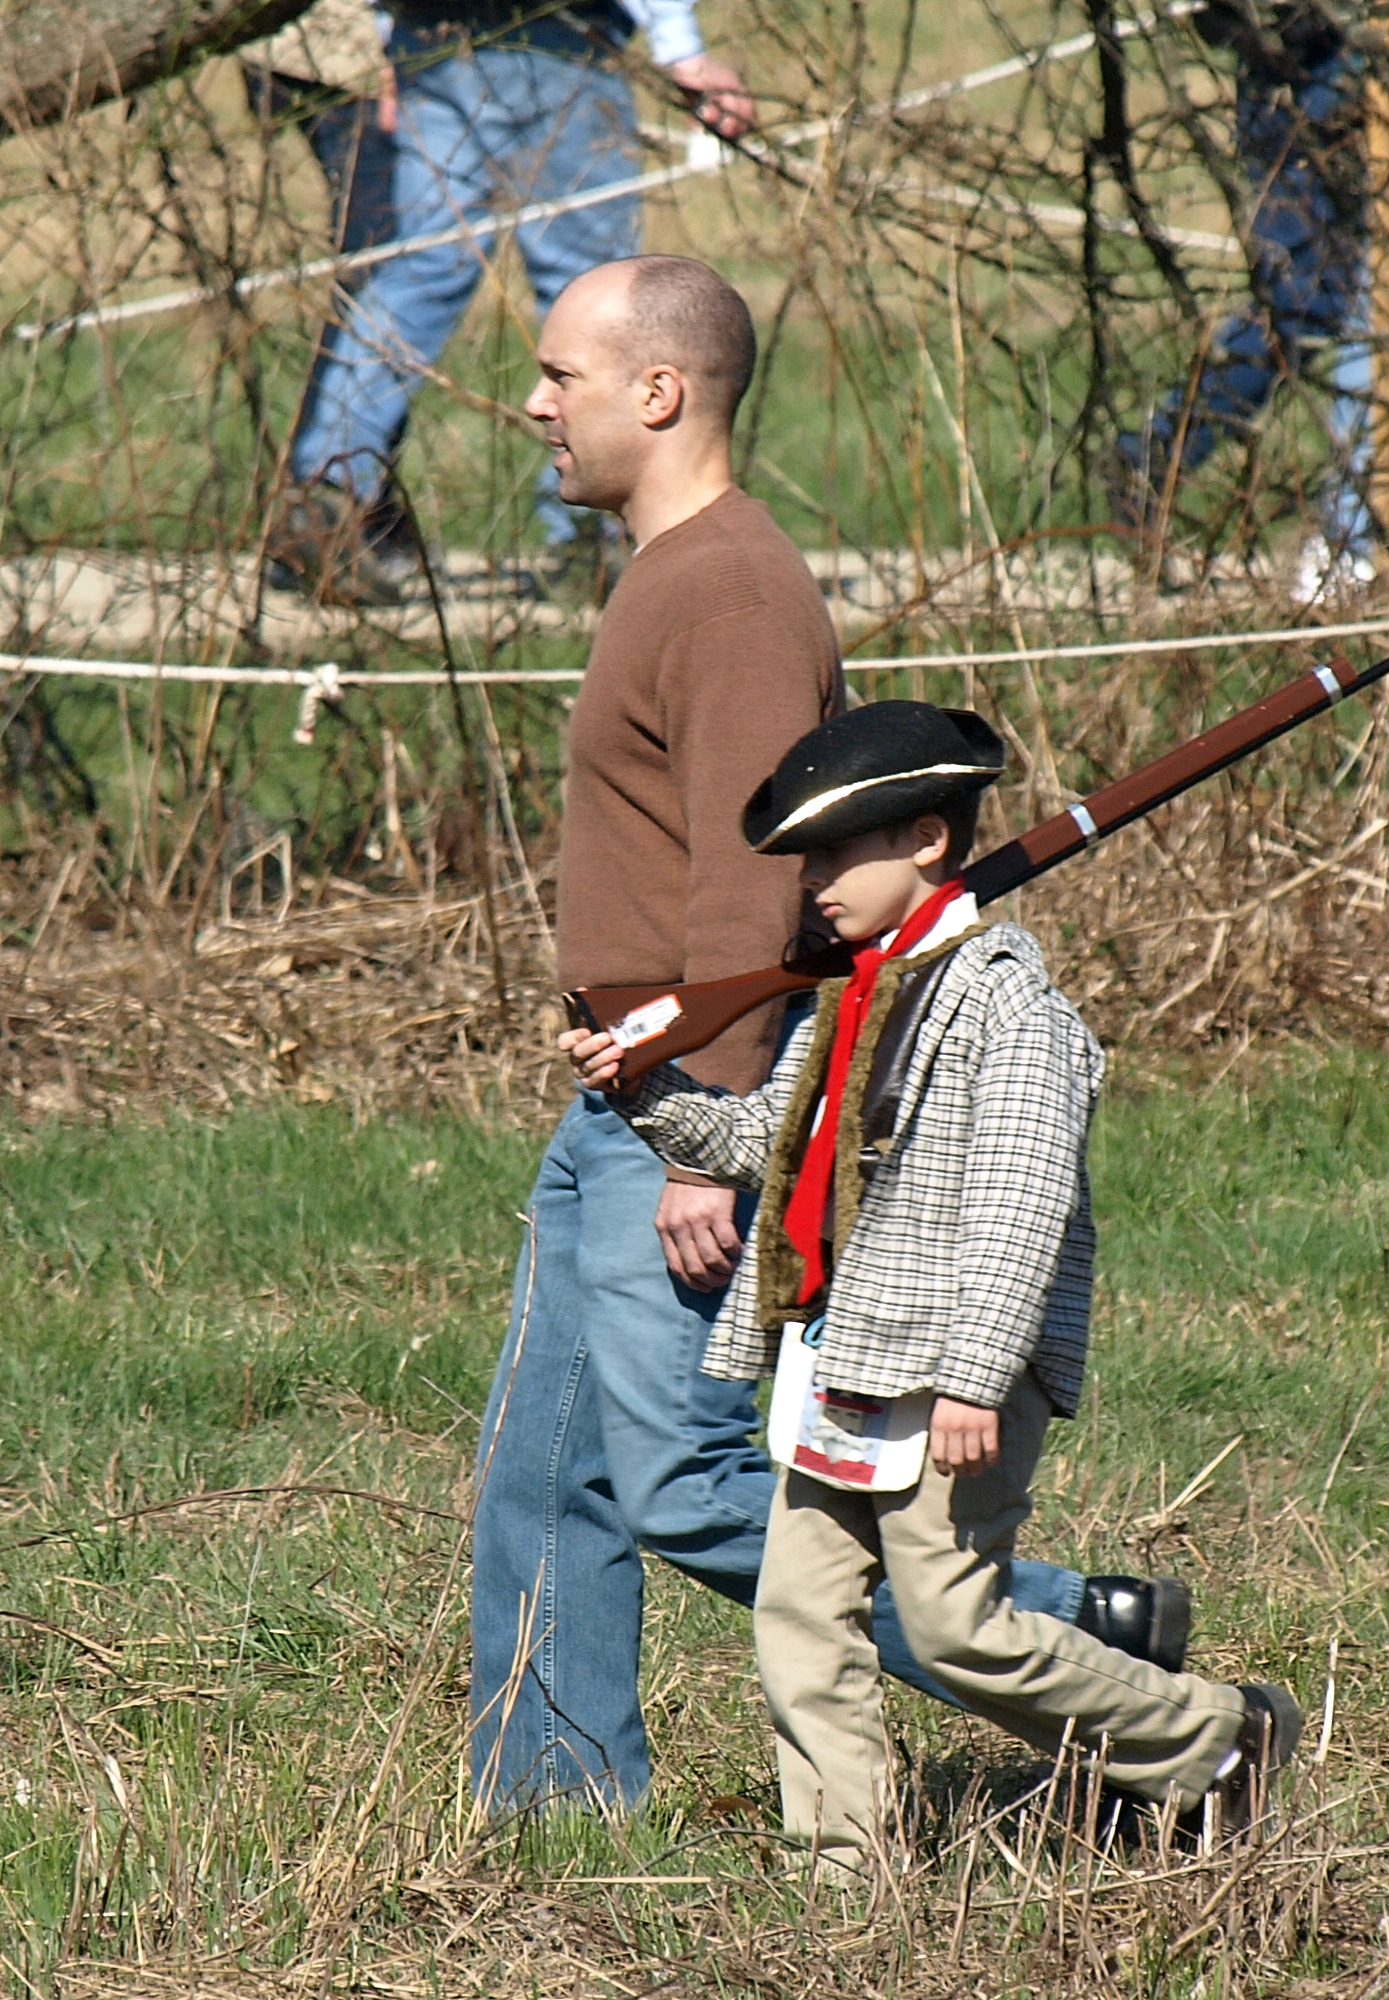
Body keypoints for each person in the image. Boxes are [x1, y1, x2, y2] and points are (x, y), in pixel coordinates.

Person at [468, 254, 1191, 1813]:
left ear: (660, 391)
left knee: (689, 1483)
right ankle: (550, 1809)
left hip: (687, 1106)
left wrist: (709, 1149)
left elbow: (758, 880)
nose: (534, 404)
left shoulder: (729, 593)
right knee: (542, 1473)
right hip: (630, 1097)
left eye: (560, 375)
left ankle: (1090, 1646)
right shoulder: (671, 571)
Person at [564, 699, 1303, 1867]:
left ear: (925, 840)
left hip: (952, 1374)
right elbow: (765, 1144)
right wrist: (641, 1087)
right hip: (844, 1357)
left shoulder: (1012, 1009)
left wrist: (974, 1377)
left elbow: (1021, 1208)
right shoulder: (855, 994)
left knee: (958, 1626)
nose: (811, 882)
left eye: (832, 853)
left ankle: (1217, 1736)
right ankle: (842, 1868)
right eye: (804, 859)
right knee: (800, 1617)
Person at [265, 0, 754, 606]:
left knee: (418, 272)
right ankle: (589, 531)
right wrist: (683, 51)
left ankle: (325, 499)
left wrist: (393, 40)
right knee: (594, 290)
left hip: (431, 41)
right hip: (557, 40)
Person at [1111, 1, 1389, 609]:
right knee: (1345, 295)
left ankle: (1363, 537)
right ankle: (1354, 544)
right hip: (1332, 66)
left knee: (1352, 296)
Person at [241, 1, 422, 590]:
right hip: (348, 55)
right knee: (390, 275)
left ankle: (358, 507)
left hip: (310, 45)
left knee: (380, 273)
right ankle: (330, 513)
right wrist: (394, 49)